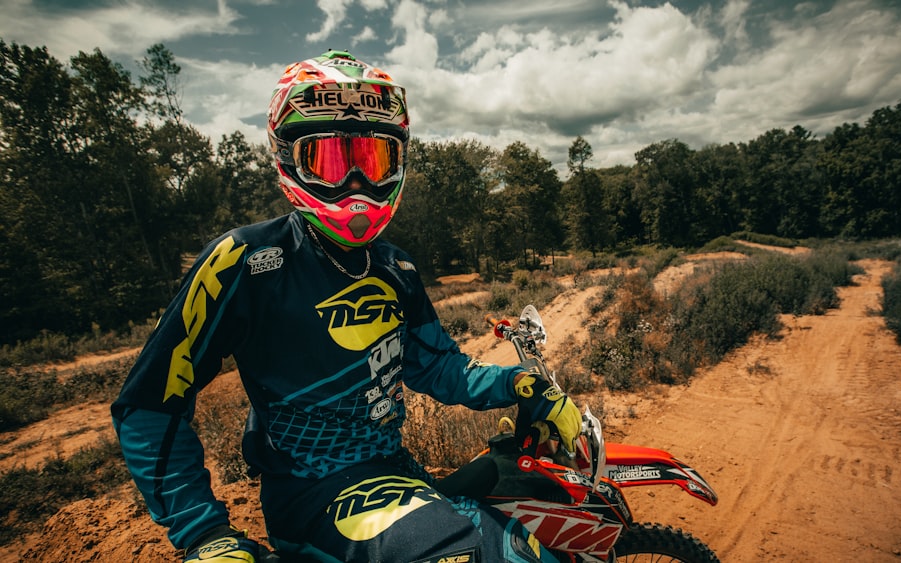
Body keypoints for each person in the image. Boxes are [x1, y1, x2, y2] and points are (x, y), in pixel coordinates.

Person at [111, 50, 582, 562]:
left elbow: (438, 367)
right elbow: (150, 401)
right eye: (332, 160)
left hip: (395, 473)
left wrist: (516, 383)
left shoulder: (394, 268)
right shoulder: (245, 262)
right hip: (312, 493)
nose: (355, 182)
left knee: (534, 515)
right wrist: (203, 534)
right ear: (288, 158)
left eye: (374, 159)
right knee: (498, 553)